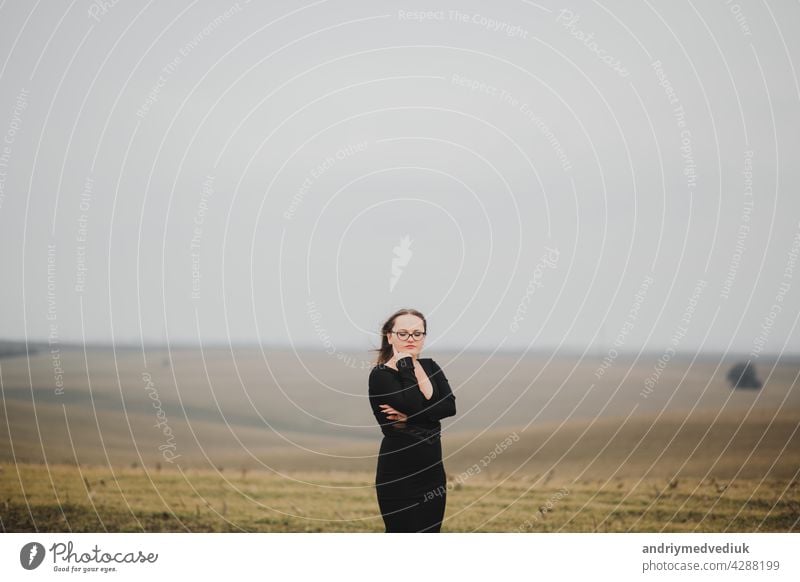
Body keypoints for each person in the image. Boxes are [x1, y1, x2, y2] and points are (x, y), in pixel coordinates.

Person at [368, 308, 456, 532]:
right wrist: (405, 364)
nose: (411, 339)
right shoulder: (381, 375)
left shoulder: (431, 366)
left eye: (418, 333)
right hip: (398, 476)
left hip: (433, 474)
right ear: (390, 336)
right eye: (403, 333)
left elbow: (450, 406)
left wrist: (410, 418)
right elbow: (414, 403)